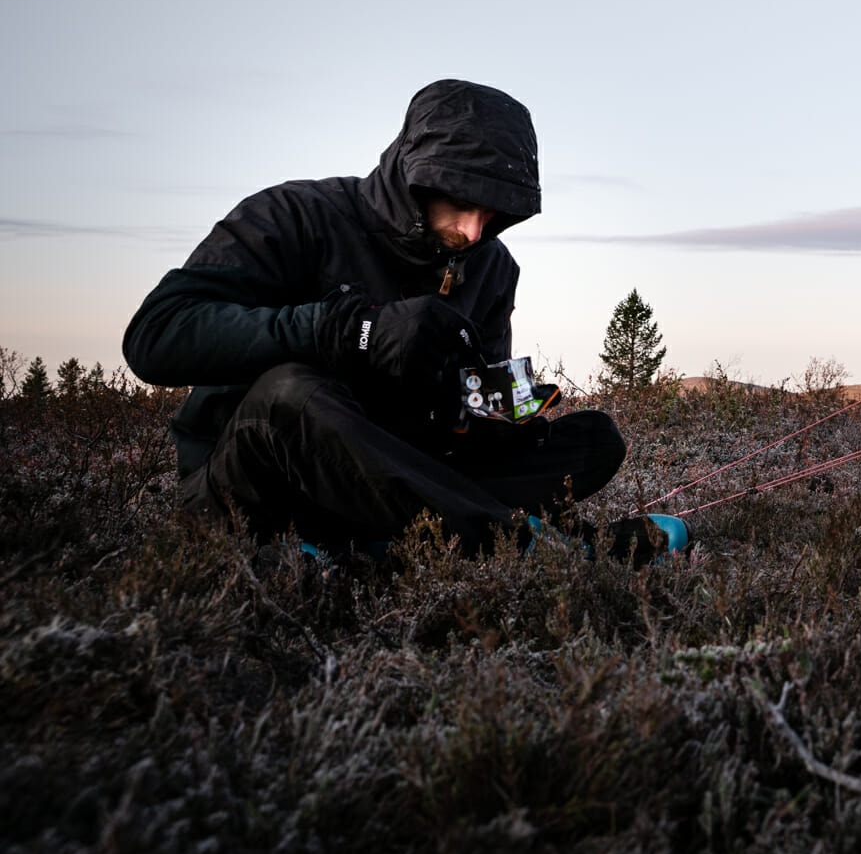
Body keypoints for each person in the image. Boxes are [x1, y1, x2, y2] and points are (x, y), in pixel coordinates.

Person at [125, 78, 657, 557]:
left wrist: (491, 415)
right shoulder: (295, 215)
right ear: (415, 175)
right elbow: (156, 335)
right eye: (462, 201)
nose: (473, 231)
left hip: (400, 465)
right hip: (258, 478)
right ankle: (526, 549)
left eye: (494, 212)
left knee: (593, 440)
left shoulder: (490, 266)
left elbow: (475, 395)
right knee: (292, 393)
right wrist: (343, 331)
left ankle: (389, 540)